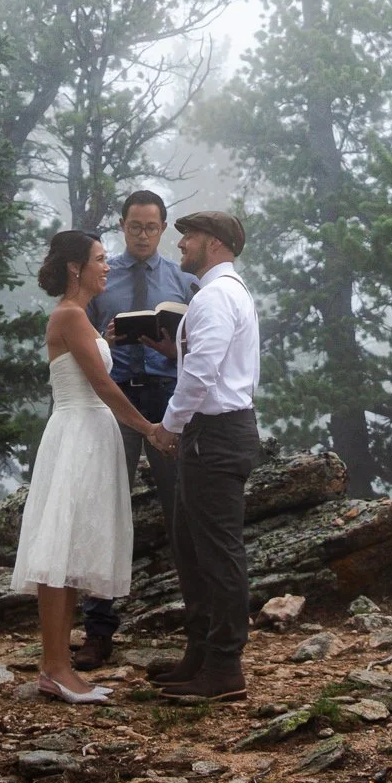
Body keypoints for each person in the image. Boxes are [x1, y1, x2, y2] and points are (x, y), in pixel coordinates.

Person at [9, 229, 170, 704]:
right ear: (76, 267)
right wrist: (148, 428)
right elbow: (102, 386)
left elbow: (85, 365)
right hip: (79, 434)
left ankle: (56, 666)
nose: (108, 267)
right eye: (100, 259)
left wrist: (108, 338)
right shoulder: (70, 315)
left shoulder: (79, 318)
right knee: (59, 553)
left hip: (85, 434)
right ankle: (57, 668)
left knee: (71, 552)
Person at [72, 190, 198, 670]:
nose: (143, 235)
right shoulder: (102, 277)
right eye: (134, 226)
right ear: (122, 226)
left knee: (182, 511)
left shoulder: (184, 281)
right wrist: (101, 342)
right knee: (105, 511)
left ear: (163, 229)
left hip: (169, 398)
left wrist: (174, 350)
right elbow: (75, 336)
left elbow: (203, 347)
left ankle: (198, 631)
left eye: (151, 227)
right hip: (116, 399)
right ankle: (98, 631)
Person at [144, 210, 261, 703]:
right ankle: (202, 652)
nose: (182, 244)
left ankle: (224, 666)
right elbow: (205, 363)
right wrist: (176, 350)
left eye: (188, 237)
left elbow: (202, 375)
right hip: (214, 432)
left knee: (217, 552)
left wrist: (168, 426)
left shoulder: (215, 296)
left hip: (213, 433)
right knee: (195, 549)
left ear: (213, 243)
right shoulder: (221, 294)